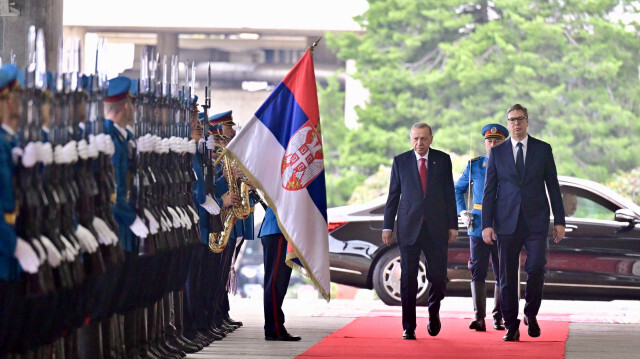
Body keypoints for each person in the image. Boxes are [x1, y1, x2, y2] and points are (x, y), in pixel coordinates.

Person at [481, 104, 565, 342]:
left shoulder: (542, 149)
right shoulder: (498, 153)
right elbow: (489, 191)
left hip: (536, 221)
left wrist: (559, 220)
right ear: (507, 124)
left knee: (537, 267)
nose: (516, 123)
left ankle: (531, 313)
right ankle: (511, 324)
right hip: (506, 222)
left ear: (527, 121)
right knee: (507, 276)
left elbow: (553, 186)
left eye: (520, 119)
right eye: (512, 120)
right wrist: (486, 224)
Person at [382, 123, 458, 340]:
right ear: (410, 139)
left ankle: (434, 314)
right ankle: (409, 326)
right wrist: (388, 226)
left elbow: (449, 195)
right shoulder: (401, 161)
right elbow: (393, 196)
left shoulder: (442, 160)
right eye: (415, 139)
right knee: (408, 278)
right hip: (408, 228)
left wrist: (453, 225)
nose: (419, 143)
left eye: (423, 138)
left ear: (431, 139)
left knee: (438, 276)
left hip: (437, 228)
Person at [455, 123, 508, 332]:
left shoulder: (512, 165)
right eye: (489, 141)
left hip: (503, 223)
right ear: (485, 143)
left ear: (504, 143)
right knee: (477, 270)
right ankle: (479, 317)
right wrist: (462, 212)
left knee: (502, 272)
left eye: (497, 141)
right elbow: (457, 189)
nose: (492, 144)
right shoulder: (475, 166)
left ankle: (499, 317)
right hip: (477, 224)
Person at [258, 207, 301, 341]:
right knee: (275, 283)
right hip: (277, 229)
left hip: (282, 229)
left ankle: (275, 327)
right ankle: (274, 328)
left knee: (279, 283)